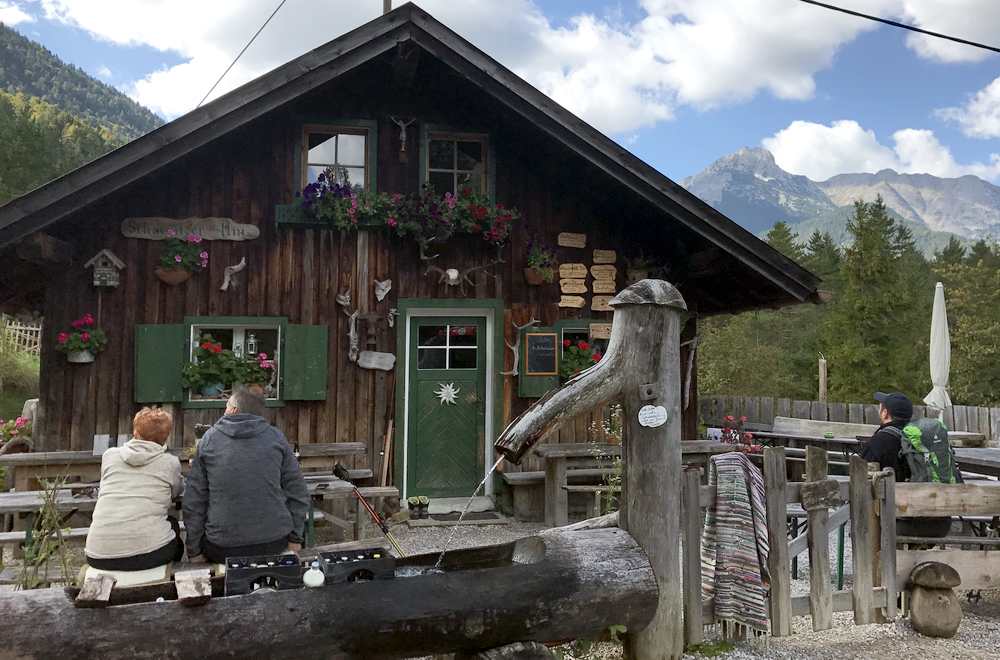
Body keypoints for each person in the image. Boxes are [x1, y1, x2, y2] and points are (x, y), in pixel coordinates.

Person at [183, 388, 309, 564]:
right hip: (274, 541)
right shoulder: (276, 438)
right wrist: (296, 538)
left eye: (226, 406)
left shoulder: (209, 440)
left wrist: (194, 551)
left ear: (234, 410)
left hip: (222, 547)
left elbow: (194, 500)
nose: (224, 411)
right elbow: (298, 491)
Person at [85, 407, 184, 570]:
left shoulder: (110, 456)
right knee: (173, 527)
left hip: (97, 554)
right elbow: (176, 491)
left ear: (135, 432)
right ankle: (165, 582)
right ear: (165, 437)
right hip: (148, 554)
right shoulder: (170, 463)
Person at [861, 391, 951, 537]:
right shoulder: (926, 439)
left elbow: (859, 481)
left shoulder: (879, 442)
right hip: (940, 522)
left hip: (899, 524)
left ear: (885, 413)